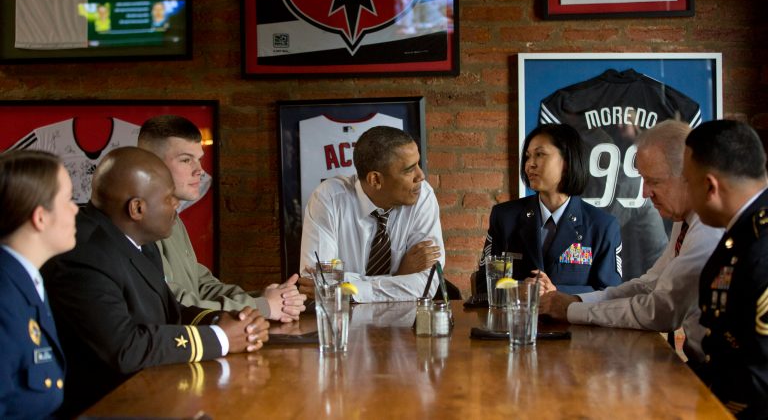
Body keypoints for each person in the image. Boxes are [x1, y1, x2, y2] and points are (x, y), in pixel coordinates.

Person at [41, 147, 268, 416]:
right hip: (108, 407)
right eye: (169, 198)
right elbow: (123, 348)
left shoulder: (137, 241)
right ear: (137, 208)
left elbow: (170, 312)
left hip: (153, 392)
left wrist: (227, 321)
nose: (176, 205)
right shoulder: (84, 253)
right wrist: (221, 339)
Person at [537, 120, 723, 363]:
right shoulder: (684, 219)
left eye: (654, 181)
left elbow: (661, 311)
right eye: (643, 180)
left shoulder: (708, 227)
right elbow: (649, 284)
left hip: (719, 376)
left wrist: (572, 310)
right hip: (698, 364)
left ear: (688, 175)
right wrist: (577, 300)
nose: (644, 193)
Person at [137, 115, 305, 322]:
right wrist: (261, 306)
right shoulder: (136, 224)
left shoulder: (173, 217)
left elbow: (199, 284)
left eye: (198, 159)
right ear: (150, 164)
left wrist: (265, 299)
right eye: (186, 160)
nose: (199, 170)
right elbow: (172, 302)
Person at [473, 123, 622, 298]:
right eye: (528, 157)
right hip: (515, 323)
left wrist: (558, 293)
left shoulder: (602, 226)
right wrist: (517, 290)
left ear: (567, 162)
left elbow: (610, 294)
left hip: (572, 323)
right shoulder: (504, 217)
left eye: (540, 155)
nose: (530, 165)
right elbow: (483, 284)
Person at [298, 126, 444, 302]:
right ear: (375, 180)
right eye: (409, 169)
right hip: (343, 322)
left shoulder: (422, 195)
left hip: (404, 322)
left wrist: (346, 288)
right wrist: (400, 275)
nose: (421, 176)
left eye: (418, 164)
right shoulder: (328, 199)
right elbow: (315, 284)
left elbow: (427, 284)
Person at [683, 119, 768, 418]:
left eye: (686, 181)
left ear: (709, 186)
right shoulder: (741, 233)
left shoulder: (759, 251)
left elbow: (760, 380)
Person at [0, 151, 77, 419]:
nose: (76, 208)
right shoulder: (4, 298)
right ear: (40, 217)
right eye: (68, 199)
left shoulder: (26, 280)